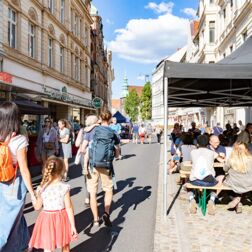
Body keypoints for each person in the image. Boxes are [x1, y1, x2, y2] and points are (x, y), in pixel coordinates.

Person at [0, 102, 36, 251]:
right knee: (10, 221)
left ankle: (23, 244)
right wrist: (33, 194)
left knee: (14, 217)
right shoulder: (19, 139)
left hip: (0, 180)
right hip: (14, 182)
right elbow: (24, 168)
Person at [29, 156, 78, 251]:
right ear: (62, 171)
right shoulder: (64, 187)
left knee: (48, 246)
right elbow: (69, 208)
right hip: (61, 217)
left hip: (46, 219)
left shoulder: (41, 188)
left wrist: (33, 198)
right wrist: (72, 225)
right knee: (65, 244)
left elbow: (37, 207)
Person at [87, 111, 120, 228]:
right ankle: (106, 213)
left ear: (100, 118)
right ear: (110, 119)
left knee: (92, 192)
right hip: (106, 165)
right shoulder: (113, 132)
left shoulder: (93, 130)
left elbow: (83, 146)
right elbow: (117, 151)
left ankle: (96, 219)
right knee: (108, 189)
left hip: (93, 164)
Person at [188, 135, 219, 215]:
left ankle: (192, 200)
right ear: (208, 143)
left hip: (195, 180)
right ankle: (211, 200)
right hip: (209, 181)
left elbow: (192, 162)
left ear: (197, 143)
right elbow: (220, 159)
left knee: (187, 183)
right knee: (217, 184)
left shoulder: (193, 152)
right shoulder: (212, 153)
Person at [221, 142, 252, 213]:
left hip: (234, 183)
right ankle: (239, 202)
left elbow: (224, 169)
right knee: (243, 184)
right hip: (248, 184)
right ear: (246, 149)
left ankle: (236, 198)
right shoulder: (251, 159)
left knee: (223, 183)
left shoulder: (231, 160)